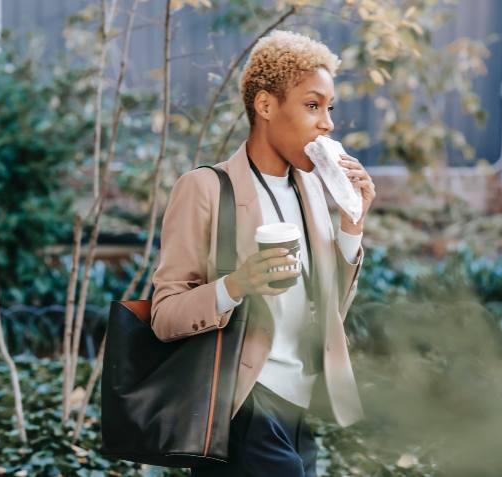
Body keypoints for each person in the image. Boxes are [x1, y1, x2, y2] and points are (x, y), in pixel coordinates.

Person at [150, 29, 376, 476]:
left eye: (329, 108)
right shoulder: (206, 189)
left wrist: (353, 221)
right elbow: (164, 315)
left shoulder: (311, 189)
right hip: (243, 404)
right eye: (313, 105)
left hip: (302, 405)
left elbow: (331, 308)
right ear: (266, 106)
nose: (327, 122)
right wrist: (236, 285)